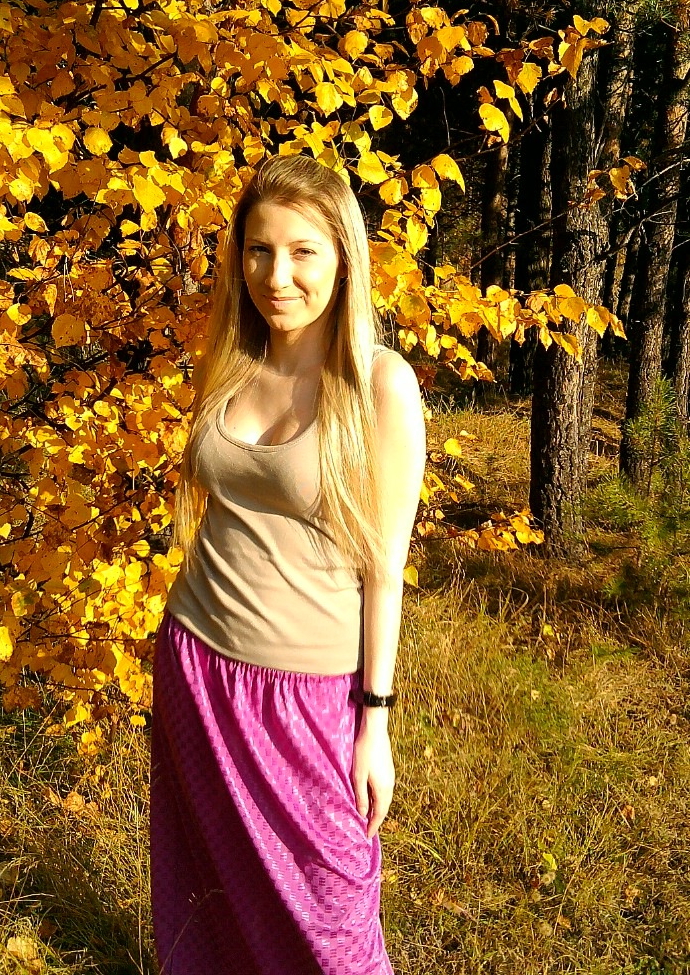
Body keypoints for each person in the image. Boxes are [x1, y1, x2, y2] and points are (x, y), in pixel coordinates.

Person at [150, 154, 426, 975]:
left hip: (308, 698)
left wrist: (374, 720)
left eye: (304, 251)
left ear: (344, 258)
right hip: (196, 664)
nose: (278, 277)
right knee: (211, 897)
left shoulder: (378, 384)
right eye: (260, 250)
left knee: (334, 928)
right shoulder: (232, 360)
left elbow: (385, 567)